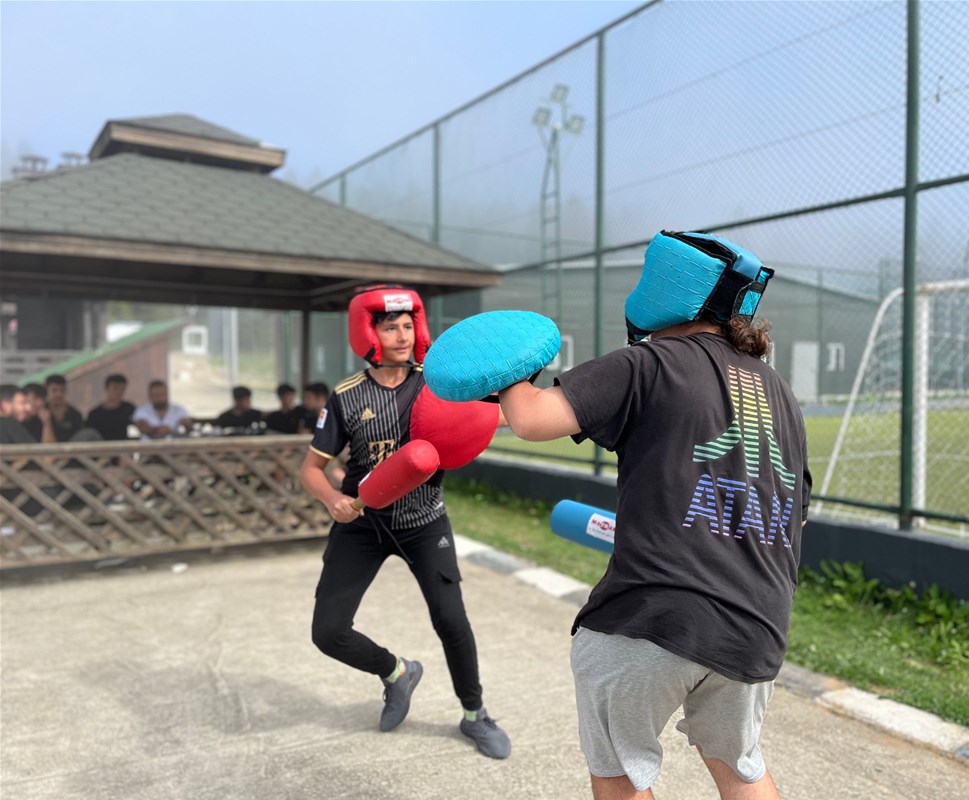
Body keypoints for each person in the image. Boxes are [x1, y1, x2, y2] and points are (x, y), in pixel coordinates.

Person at [498, 231, 811, 800]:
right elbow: (793, 516)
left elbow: (531, 419)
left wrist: (506, 368)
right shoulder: (778, 390)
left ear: (668, 291)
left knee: (619, 768)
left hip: (654, 613)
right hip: (757, 624)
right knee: (740, 766)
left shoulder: (647, 362)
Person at [299, 286, 511, 760]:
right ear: (368, 333)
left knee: (451, 621)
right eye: (390, 327)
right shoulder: (346, 396)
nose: (401, 335)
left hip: (424, 521)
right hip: (362, 525)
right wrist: (333, 499)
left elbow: (492, 417)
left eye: (407, 325)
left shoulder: (440, 384)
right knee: (328, 632)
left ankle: (475, 714)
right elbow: (310, 469)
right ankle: (397, 672)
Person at [86, 374, 136, 440]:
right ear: (107, 389)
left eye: (122, 389)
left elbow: (135, 433)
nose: (119, 392)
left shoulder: (130, 410)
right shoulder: (95, 414)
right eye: (115, 388)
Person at [43, 374, 83, 442]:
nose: (59, 394)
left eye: (62, 390)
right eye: (54, 391)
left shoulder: (75, 414)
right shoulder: (41, 411)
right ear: (46, 391)